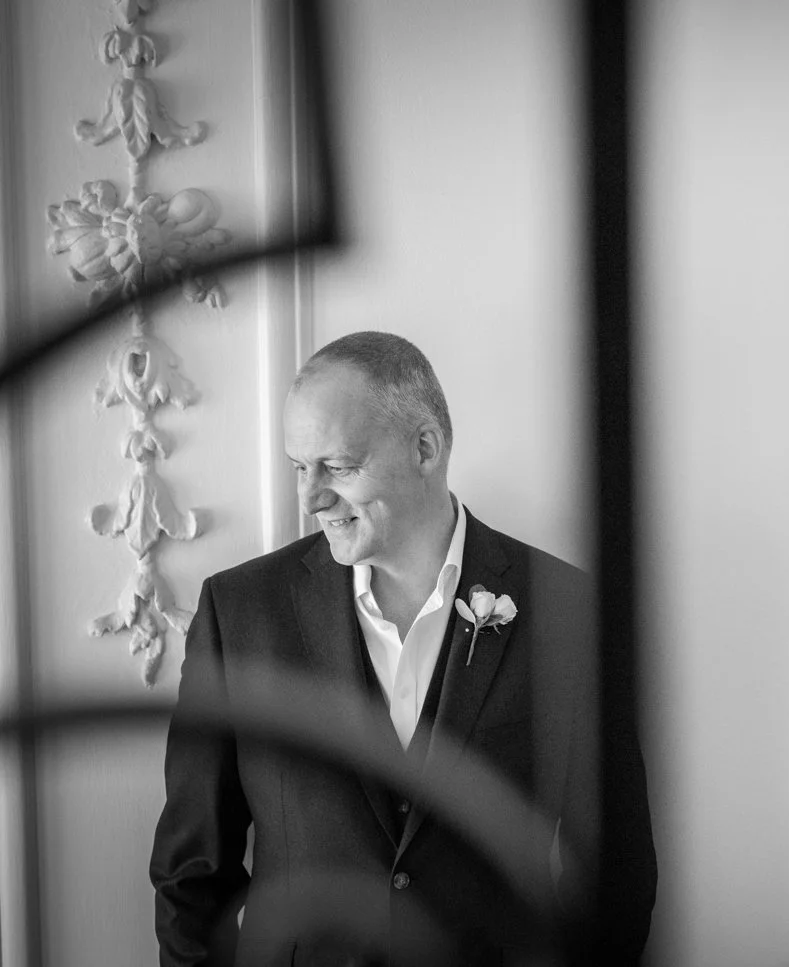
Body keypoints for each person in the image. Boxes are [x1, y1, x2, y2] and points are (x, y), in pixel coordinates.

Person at [149, 331, 656, 966]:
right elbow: (194, 872)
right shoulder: (240, 613)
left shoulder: (570, 613)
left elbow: (616, 873)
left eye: (338, 466)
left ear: (425, 447)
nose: (309, 498)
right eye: (298, 468)